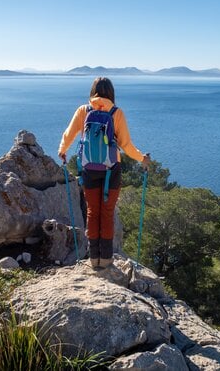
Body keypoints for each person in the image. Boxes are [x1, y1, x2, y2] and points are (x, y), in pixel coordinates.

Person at [59, 77, 151, 269]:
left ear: (92, 92)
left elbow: (69, 133)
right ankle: (106, 259)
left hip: (89, 168)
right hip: (112, 169)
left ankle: (94, 259)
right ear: (111, 93)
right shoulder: (116, 113)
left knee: (92, 212)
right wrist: (142, 158)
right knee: (107, 213)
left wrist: (63, 150)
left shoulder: (84, 110)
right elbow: (126, 145)